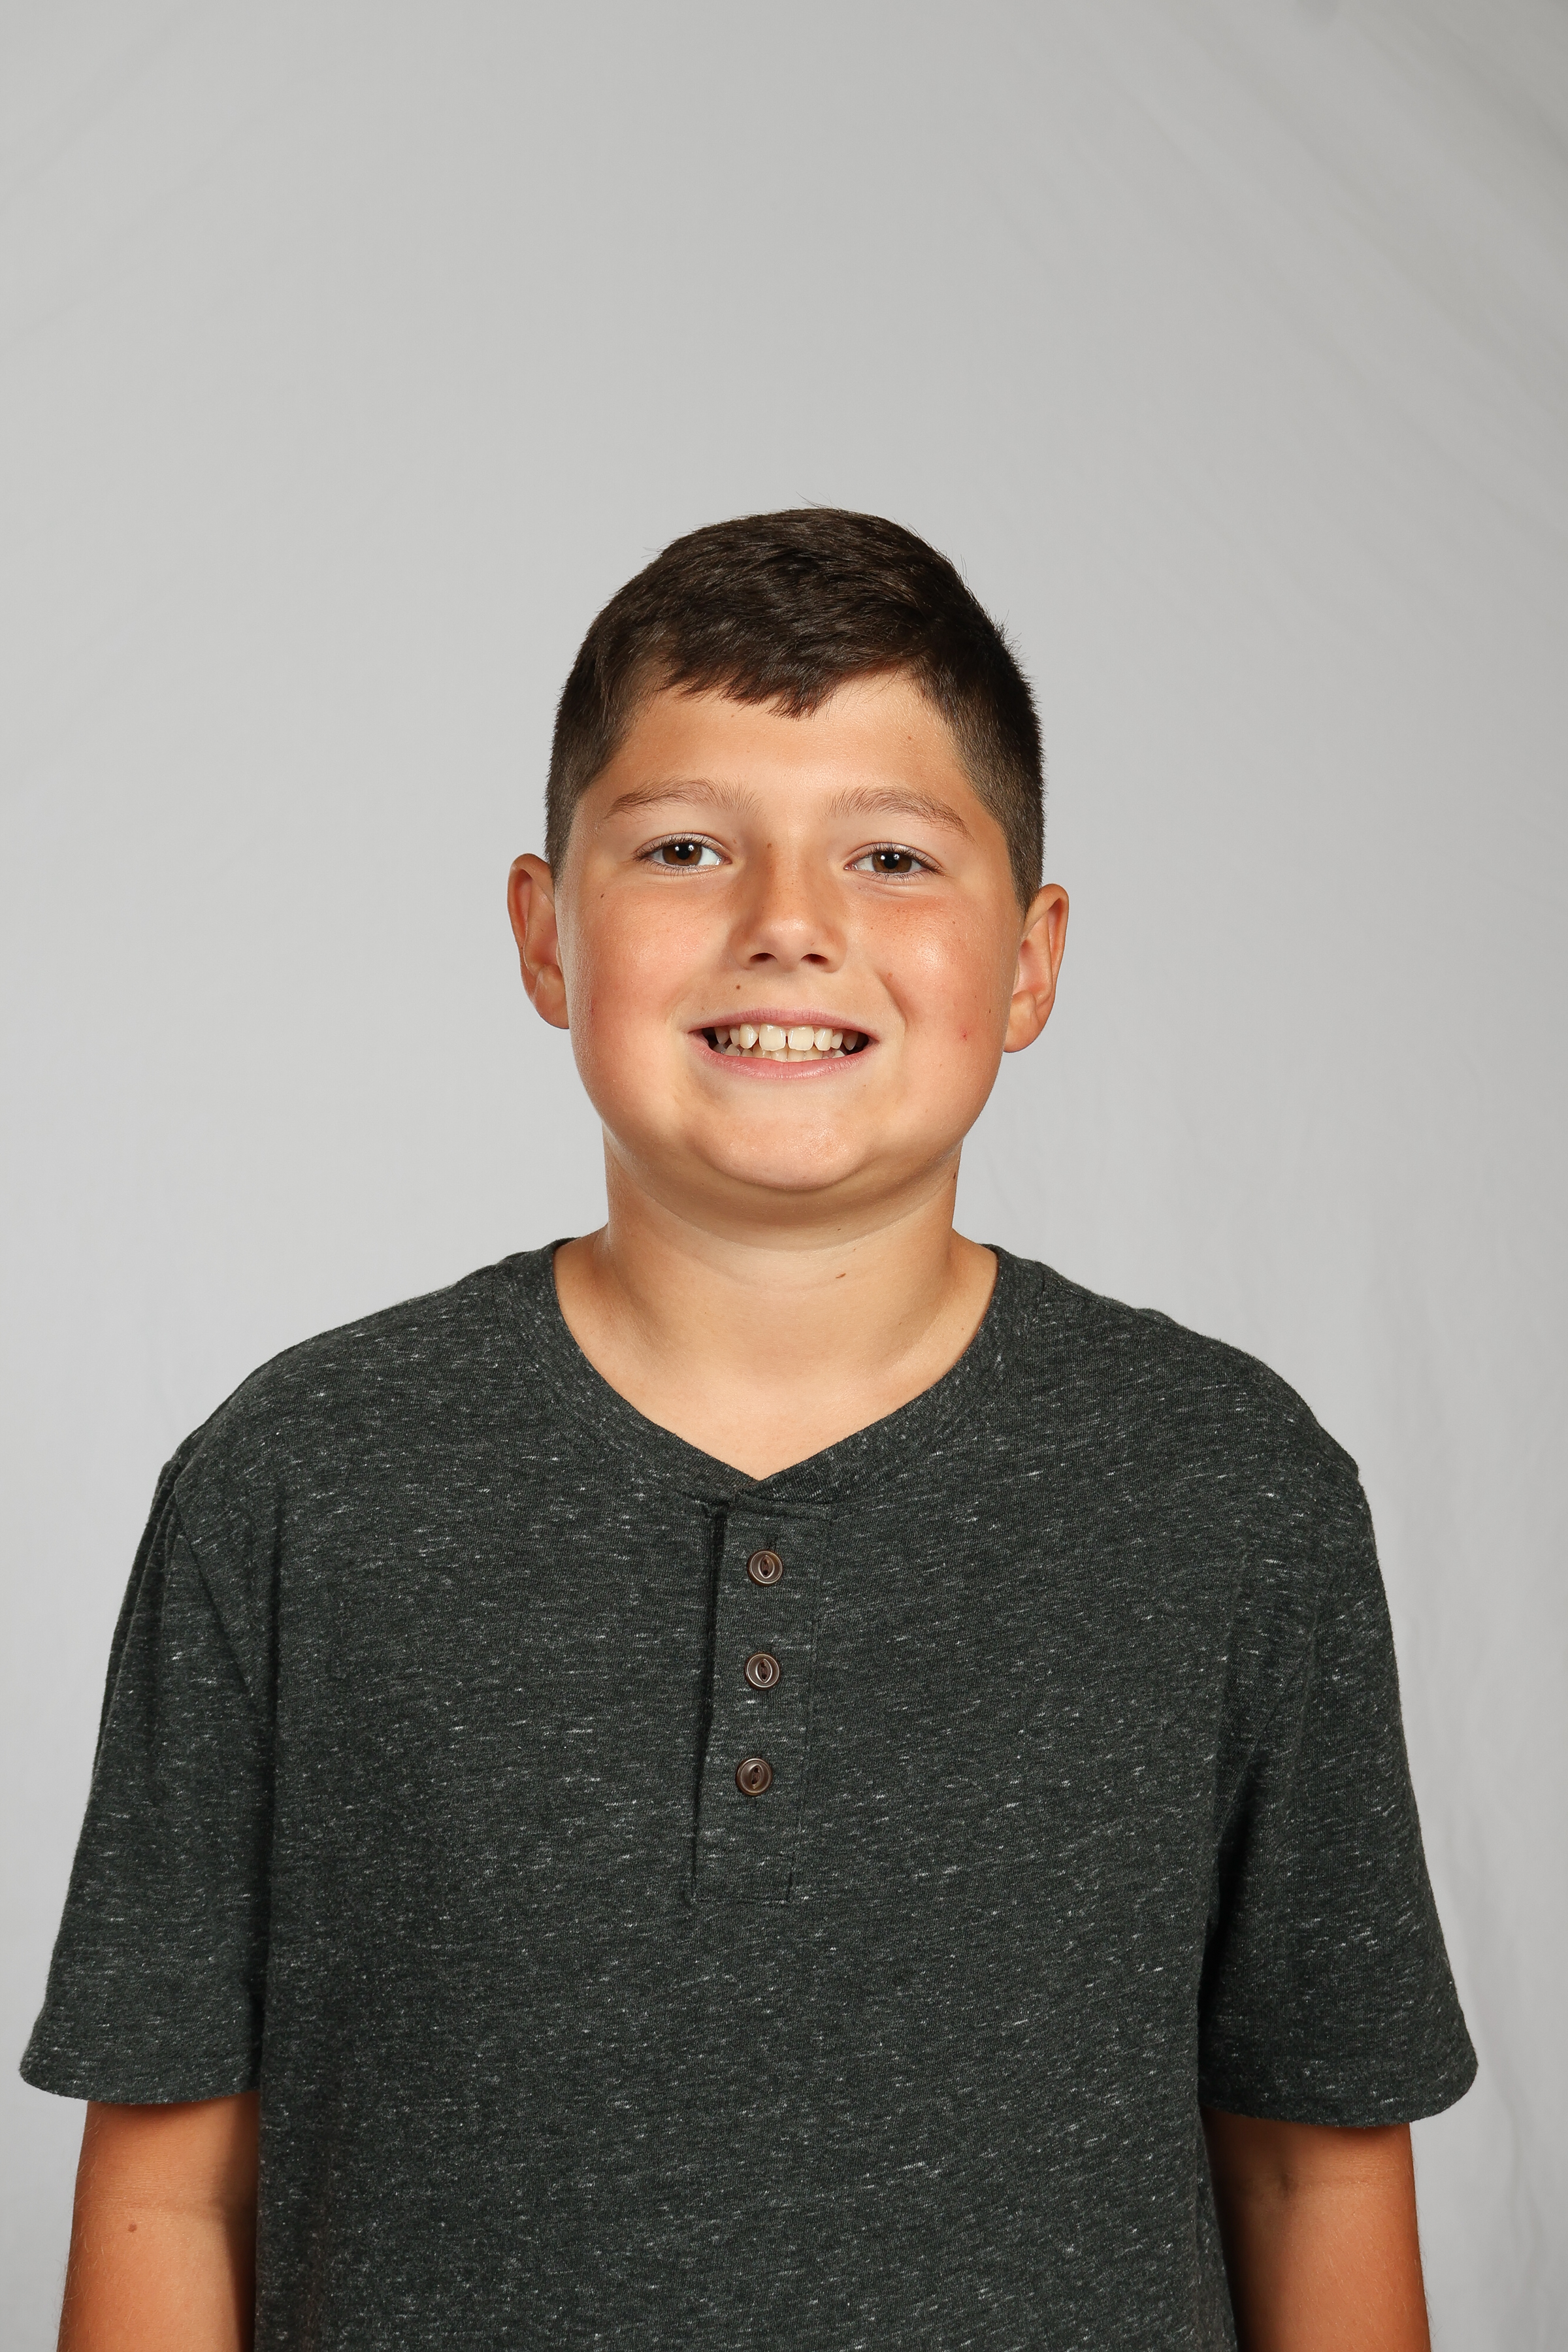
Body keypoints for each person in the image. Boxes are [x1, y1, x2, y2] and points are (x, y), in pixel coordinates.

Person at [22, 509, 1475, 2351]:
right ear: (546, 936)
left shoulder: (1236, 1493)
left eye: (891, 857)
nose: (790, 925)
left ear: (1030, 962)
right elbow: (166, 2183)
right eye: (687, 848)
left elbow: (1312, 2174)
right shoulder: (297, 1485)